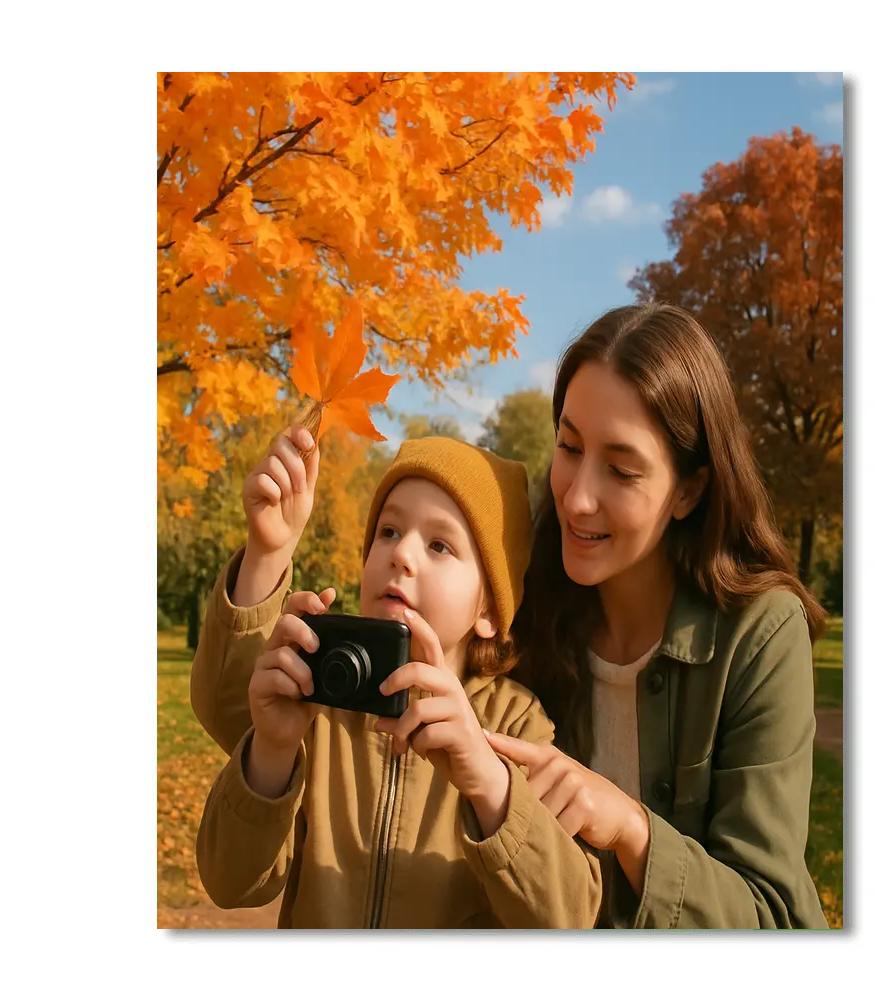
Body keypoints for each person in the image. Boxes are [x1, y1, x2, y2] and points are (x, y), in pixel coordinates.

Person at [484, 302, 830, 929]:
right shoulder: (522, 608)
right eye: (568, 446)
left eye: (621, 469)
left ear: (690, 491)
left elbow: (770, 913)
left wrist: (632, 830)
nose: (578, 496)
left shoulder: (761, 634)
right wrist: (265, 562)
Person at [191, 431, 601, 928]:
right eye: (388, 531)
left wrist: (492, 787)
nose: (401, 553)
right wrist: (274, 748)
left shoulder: (516, 727)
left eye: (439, 544)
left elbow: (569, 917)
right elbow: (230, 883)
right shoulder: (319, 699)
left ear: (490, 608)